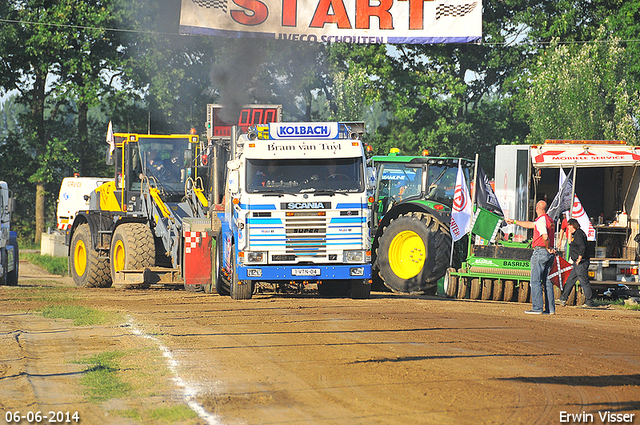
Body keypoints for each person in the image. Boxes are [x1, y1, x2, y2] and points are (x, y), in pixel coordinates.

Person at [507, 200, 556, 315]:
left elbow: (544, 236)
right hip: (549, 254)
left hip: (541, 251)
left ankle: (537, 308)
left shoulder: (541, 220)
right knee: (548, 282)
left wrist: (547, 247)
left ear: (537, 209)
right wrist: (514, 221)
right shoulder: (549, 219)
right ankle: (550, 309)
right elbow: (530, 225)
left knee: (535, 281)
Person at [559, 218, 594, 308]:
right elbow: (570, 242)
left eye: (569, 226)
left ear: (573, 225)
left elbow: (582, 247)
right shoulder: (575, 234)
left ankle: (589, 302)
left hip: (581, 262)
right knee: (570, 280)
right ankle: (563, 298)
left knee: (584, 282)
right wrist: (569, 233)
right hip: (577, 263)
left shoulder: (578, 234)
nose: (568, 228)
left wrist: (579, 259)